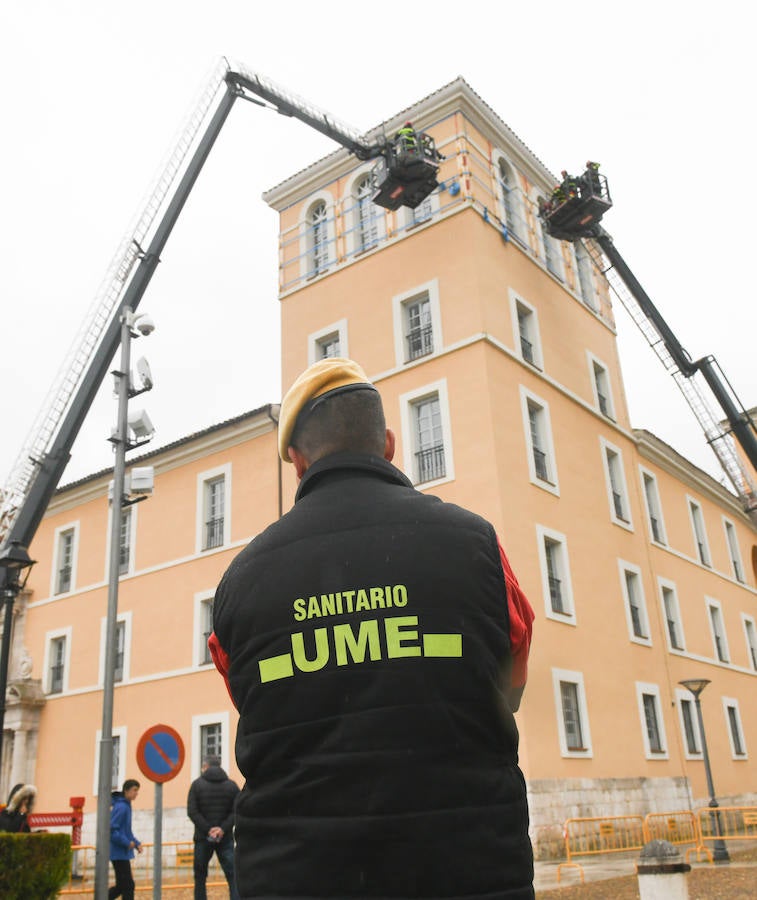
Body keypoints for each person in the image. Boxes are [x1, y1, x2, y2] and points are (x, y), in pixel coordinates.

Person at [210, 357, 536, 900]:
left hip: (296, 876)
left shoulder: (239, 581)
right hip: (467, 869)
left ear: (296, 460)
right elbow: (513, 683)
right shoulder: (475, 545)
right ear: (387, 443)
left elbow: (254, 704)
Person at [187, 756, 240, 900]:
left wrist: (208, 829)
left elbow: (192, 811)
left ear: (205, 767)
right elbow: (237, 810)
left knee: (200, 877)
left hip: (203, 837)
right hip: (226, 837)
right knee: (232, 875)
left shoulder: (196, 785)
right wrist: (222, 829)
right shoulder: (232, 786)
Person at [108, 778, 142, 900]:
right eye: (134, 790)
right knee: (127, 885)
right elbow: (112, 830)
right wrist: (127, 843)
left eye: (137, 791)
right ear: (126, 791)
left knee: (123, 885)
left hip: (121, 852)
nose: (136, 793)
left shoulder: (125, 806)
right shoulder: (122, 807)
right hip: (118, 852)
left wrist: (136, 843)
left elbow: (126, 830)